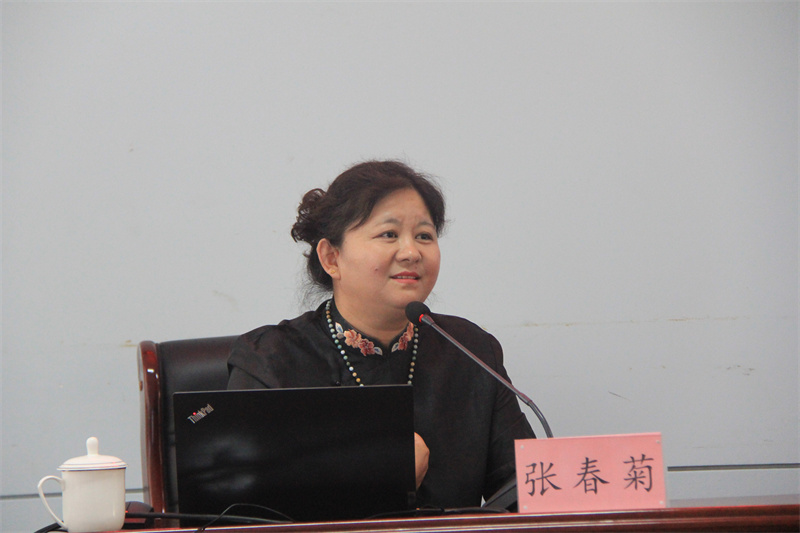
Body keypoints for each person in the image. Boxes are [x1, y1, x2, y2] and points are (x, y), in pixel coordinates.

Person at [227, 160, 535, 510]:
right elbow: (242, 514)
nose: (411, 252)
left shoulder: (470, 350)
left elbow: (525, 490)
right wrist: (377, 479)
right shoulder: (270, 361)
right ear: (331, 258)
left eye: (424, 236)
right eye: (389, 234)